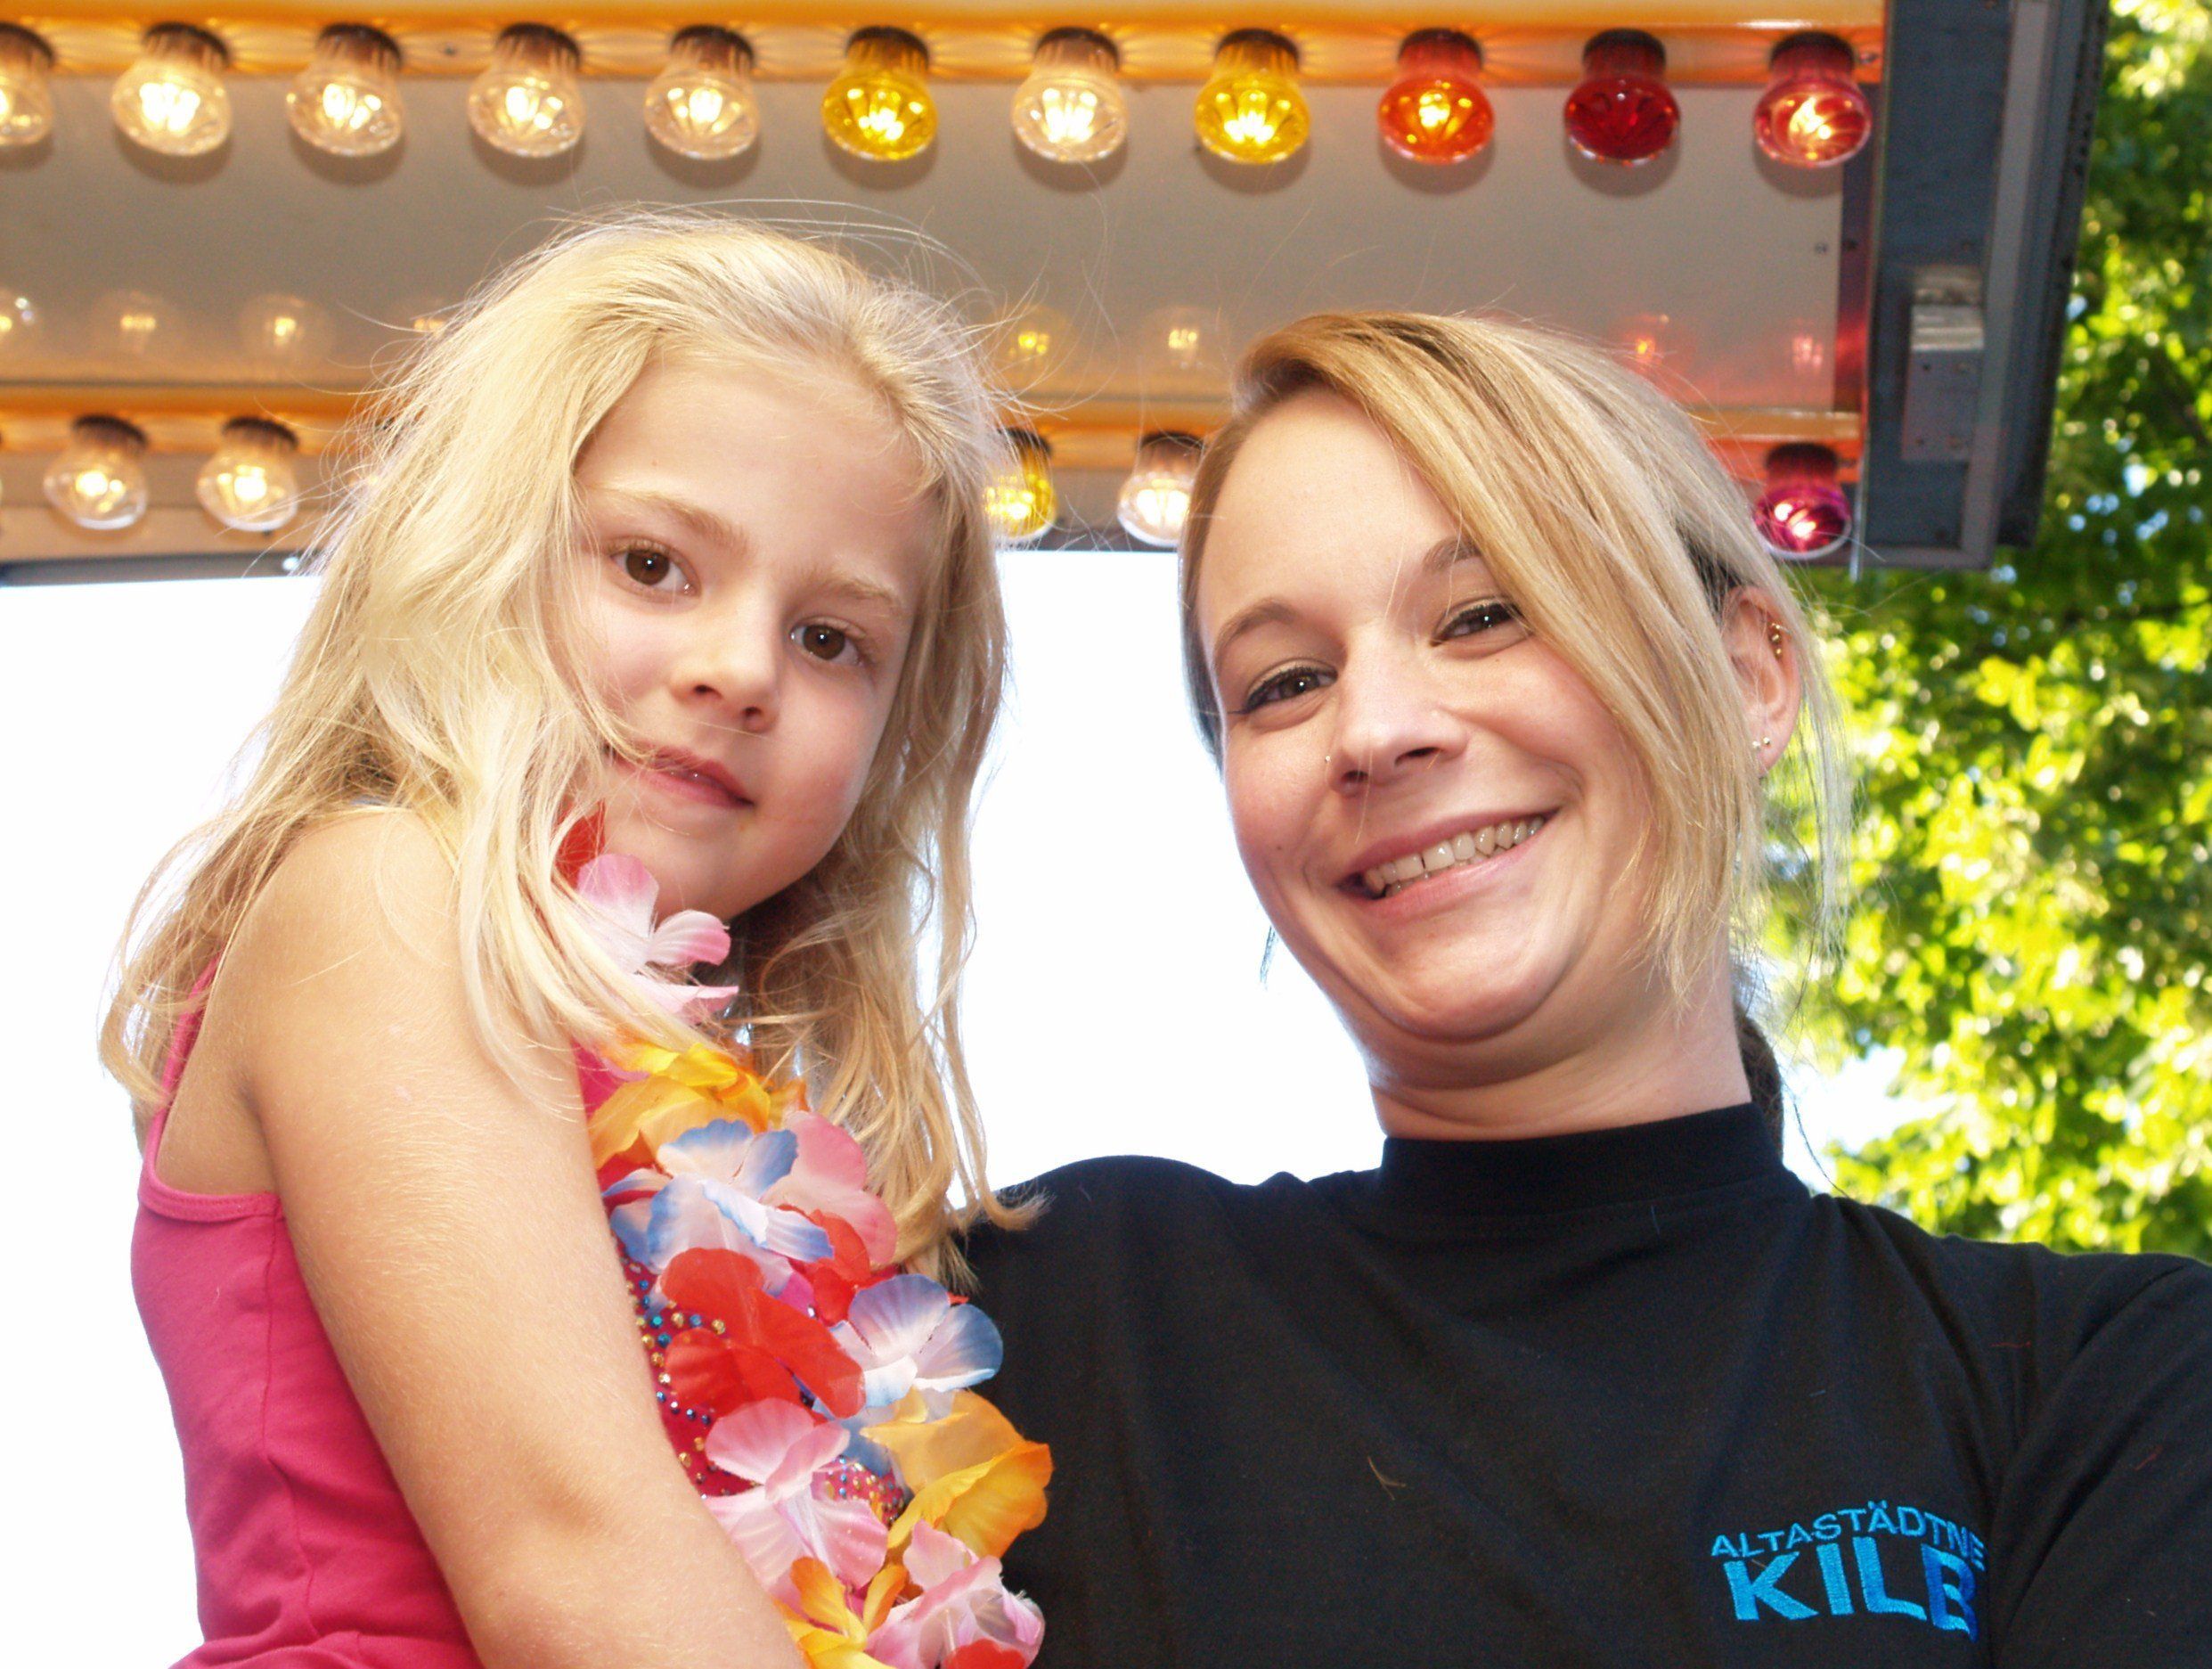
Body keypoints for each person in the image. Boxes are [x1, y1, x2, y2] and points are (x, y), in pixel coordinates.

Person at [959, 311, 2212, 1665]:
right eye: (1285, 683)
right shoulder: (1047, 1317)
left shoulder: (2101, 1382)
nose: (1375, 729)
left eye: (1484, 614)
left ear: (1748, 675)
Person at [107, 211, 1021, 1669]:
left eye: (830, 639)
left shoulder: (717, 1094)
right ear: (474, 547)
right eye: (653, 565)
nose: (739, 669)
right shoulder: (388, 892)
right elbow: (579, 1575)